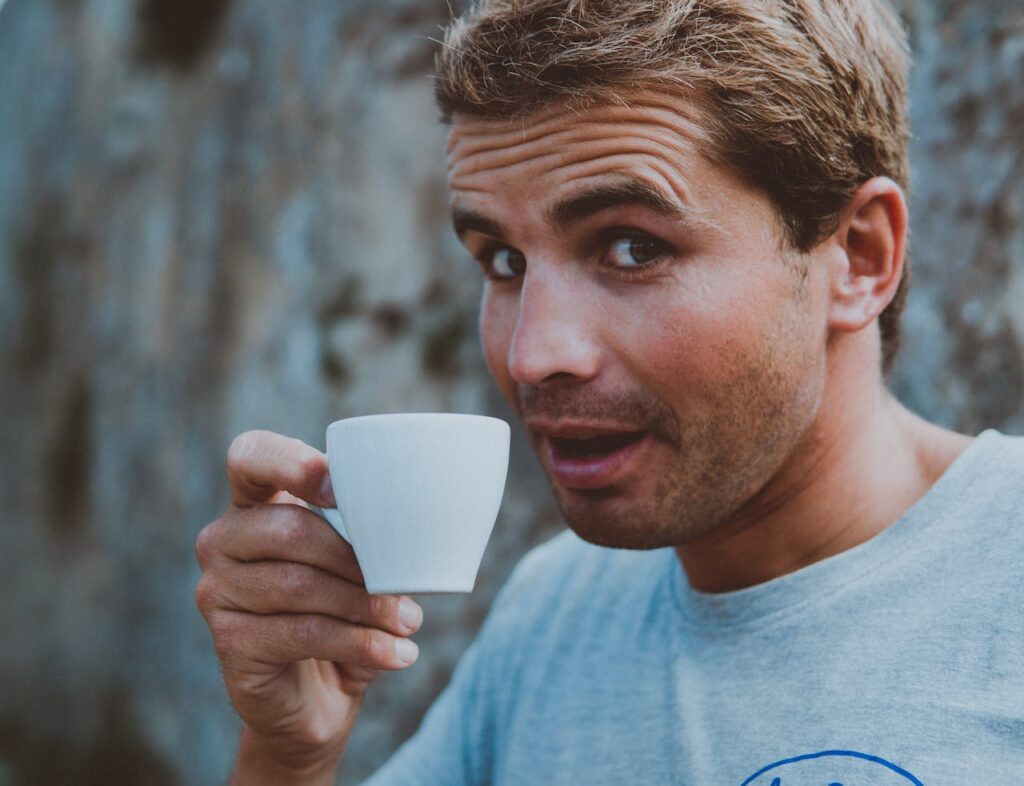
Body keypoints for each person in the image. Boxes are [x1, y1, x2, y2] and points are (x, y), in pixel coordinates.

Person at [194, 1, 1024, 783]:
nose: (532, 357)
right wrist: (288, 757)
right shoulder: (552, 616)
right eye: (504, 261)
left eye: (632, 247)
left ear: (860, 256)